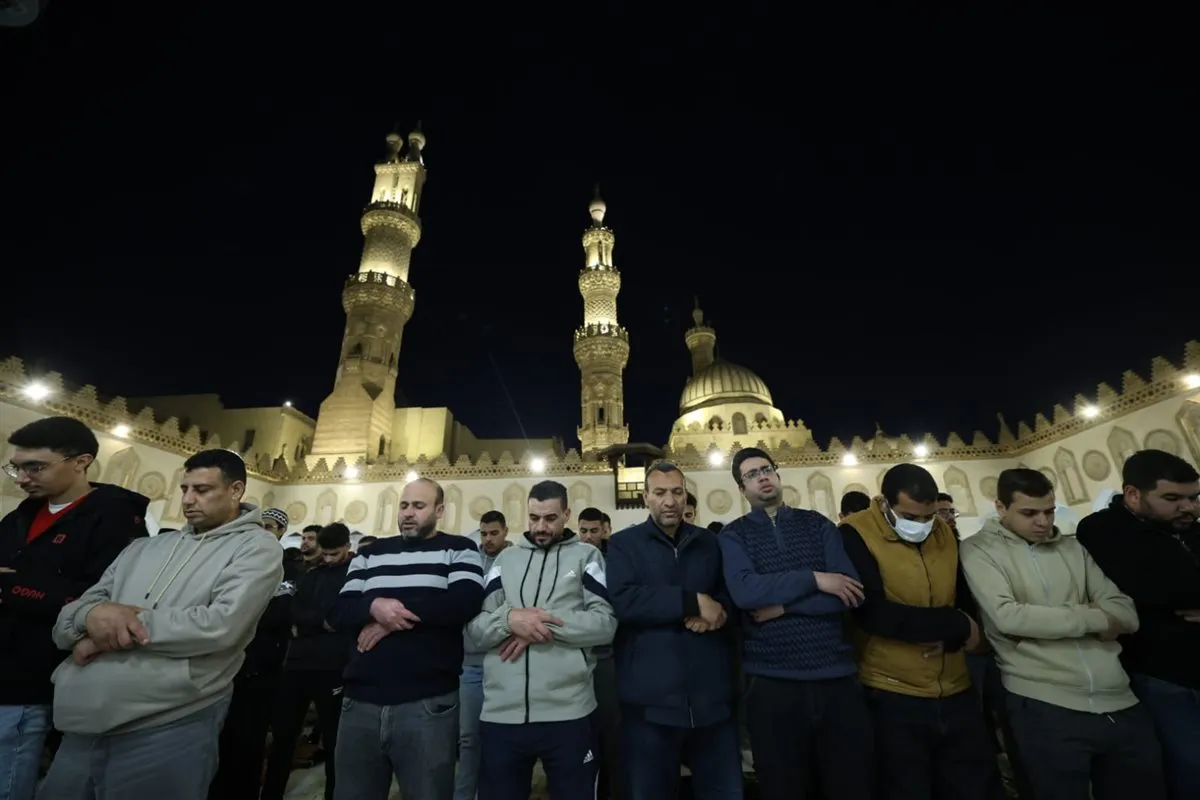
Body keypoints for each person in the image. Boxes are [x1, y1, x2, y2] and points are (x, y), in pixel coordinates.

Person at [38, 448, 283, 800]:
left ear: (235, 490)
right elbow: (68, 619)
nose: (188, 499)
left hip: (171, 721)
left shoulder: (256, 548)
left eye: (202, 490)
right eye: (184, 489)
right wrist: (89, 617)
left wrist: (105, 632)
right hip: (85, 719)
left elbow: (220, 626)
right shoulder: (143, 549)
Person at [961, 467, 1166, 799]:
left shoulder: (1073, 549)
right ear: (1001, 508)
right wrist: (1094, 617)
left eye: (1049, 511)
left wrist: (1052, 620)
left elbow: (1126, 612)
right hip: (1043, 700)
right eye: (1029, 513)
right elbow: (1009, 618)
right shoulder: (979, 550)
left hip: (1118, 697)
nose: (1043, 522)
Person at [0, 416, 149, 800]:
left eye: (35, 467)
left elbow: (106, 600)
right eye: (16, 467)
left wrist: (15, 587)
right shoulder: (20, 516)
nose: (22, 478)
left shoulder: (115, 518)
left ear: (81, 462)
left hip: (42, 676)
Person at [719, 447, 872, 800]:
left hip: (835, 678)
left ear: (777, 474)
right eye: (751, 475)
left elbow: (850, 593)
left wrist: (783, 608)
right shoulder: (734, 535)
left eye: (766, 469)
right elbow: (746, 592)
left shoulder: (817, 525)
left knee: (849, 783)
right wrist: (815, 578)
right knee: (784, 785)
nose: (762, 477)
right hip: (772, 682)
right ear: (741, 488)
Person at [840, 463, 999, 800]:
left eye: (928, 517)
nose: (922, 526)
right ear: (885, 503)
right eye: (910, 517)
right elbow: (872, 612)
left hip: (955, 684)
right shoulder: (855, 533)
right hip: (892, 689)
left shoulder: (943, 533)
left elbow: (962, 600)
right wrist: (954, 626)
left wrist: (960, 632)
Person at [332, 478, 484, 800]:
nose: (408, 513)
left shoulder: (459, 549)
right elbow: (340, 611)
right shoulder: (370, 554)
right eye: (404, 505)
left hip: (426, 704)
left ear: (439, 511)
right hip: (360, 702)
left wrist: (390, 619)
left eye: (418, 506)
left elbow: (464, 602)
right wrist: (374, 606)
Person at [466, 480, 617, 800]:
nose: (540, 527)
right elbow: (476, 631)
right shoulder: (505, 561)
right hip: (501, 715)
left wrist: (537, 622)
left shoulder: (587, 556)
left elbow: (605, 625)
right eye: (534, 518)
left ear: (566, 514)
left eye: (550, 518)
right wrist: (510, 620)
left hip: (569, 713)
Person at [608, 462, 742, 799]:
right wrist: (691, 602)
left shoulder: (709, 543)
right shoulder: (625, 545)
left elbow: (728, 597)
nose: (669, 501)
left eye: (677, 492)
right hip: (651, 703)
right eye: (660, 493)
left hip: (712, 699)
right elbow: (625, 601)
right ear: (645, 498)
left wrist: (719, 613)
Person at [1074, 450, 1198, 799]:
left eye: (1194, 498)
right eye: (1172, 499)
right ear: (1132, 495)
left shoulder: (1189, 529)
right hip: (1162, 677)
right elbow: (1163, 590)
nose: (1188, 508)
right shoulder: (1104, 530)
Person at [261, 522, 356, 800]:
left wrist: (312, 623)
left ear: (347, 547)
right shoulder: (311, 573)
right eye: (325, 553)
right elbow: (294, 610)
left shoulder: (355, 575)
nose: (328, 559)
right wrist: (320, 622)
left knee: (335, 740)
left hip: (333, 667)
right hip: (298, 664)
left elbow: (344, 615)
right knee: (283, 737)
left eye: (334, 554)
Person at [457, 510, 512, 800]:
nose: (488, 539)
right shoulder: (470, 561)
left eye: (494, 533)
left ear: (505, 532)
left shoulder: (517, 560)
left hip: (504, 661)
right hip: (470, 664)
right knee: (468, 738)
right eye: (484, 533)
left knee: (502, 737)